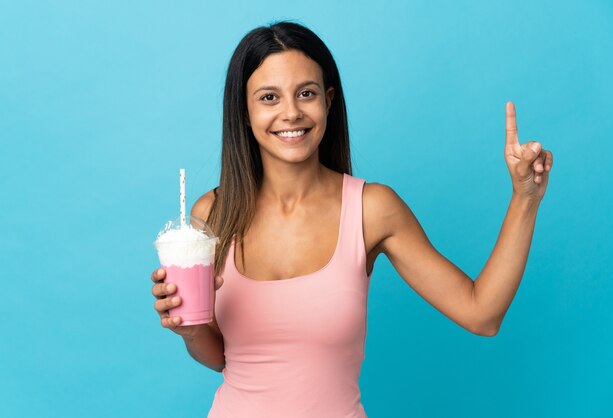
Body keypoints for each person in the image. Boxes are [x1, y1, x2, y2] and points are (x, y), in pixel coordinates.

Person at [150, 21, 553, 418]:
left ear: (328, 100)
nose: (291, 113)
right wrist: (189, 330)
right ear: (244, 109)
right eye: (269, 97)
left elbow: (481, 313)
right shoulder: (213, 215)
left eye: (305, 93)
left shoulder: (371, 209)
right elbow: (222, 358)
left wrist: (525, 198)